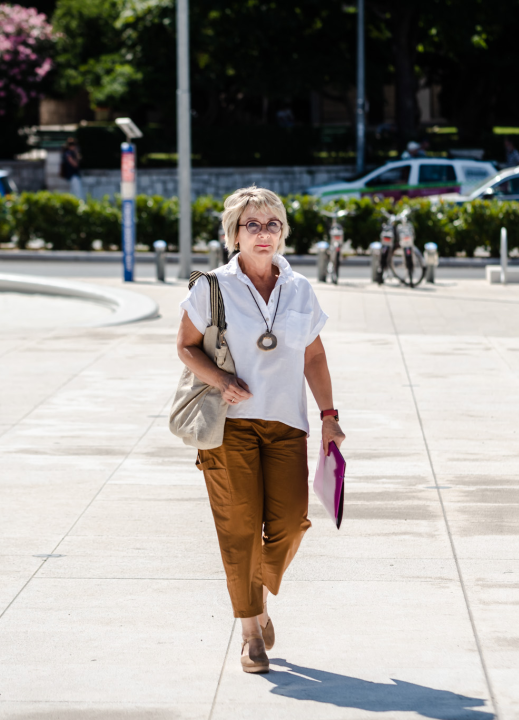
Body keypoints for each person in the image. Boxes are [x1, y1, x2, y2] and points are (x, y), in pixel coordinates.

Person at [175, 186, 345, 674]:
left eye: (272, 224)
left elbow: (314, 357)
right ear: (234, 234)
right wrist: (222, 380)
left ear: (283, 232)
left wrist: (329, 415)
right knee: (240, 530)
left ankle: (256, 589)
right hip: (228, 428)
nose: (263, 233)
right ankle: (251, 631)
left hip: (287, 424)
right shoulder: (212, 287)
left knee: (291, 523)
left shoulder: (299, 288)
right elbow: (186, 347)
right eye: (252, 224)